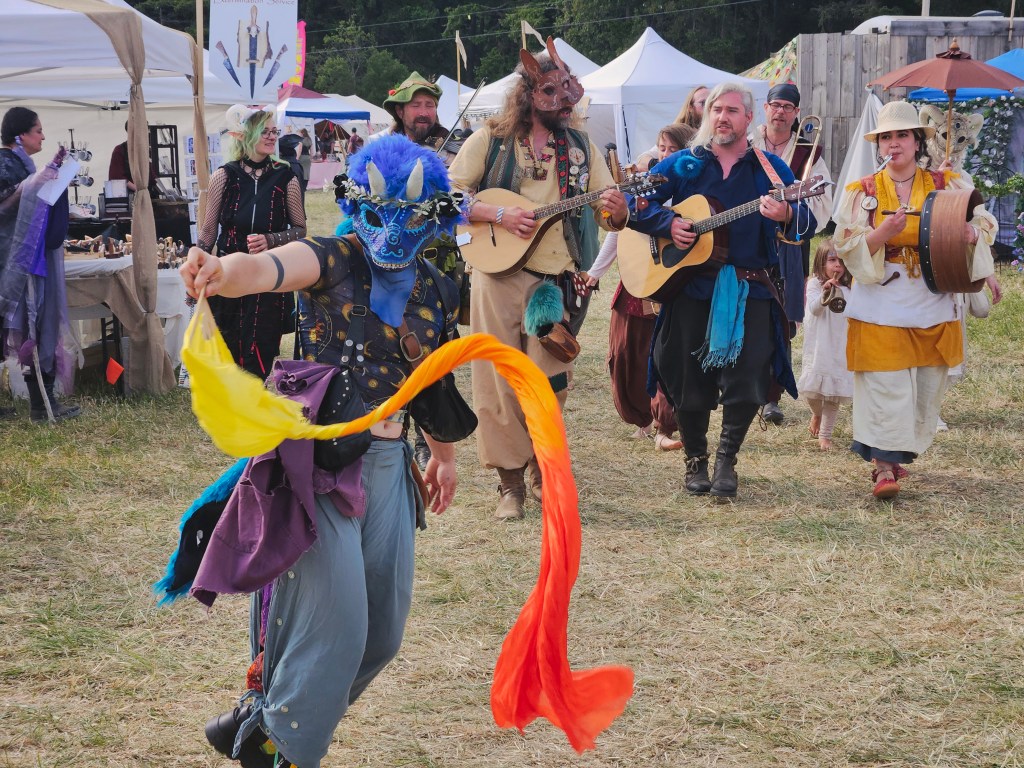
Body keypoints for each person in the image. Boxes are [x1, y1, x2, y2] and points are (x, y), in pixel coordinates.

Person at [178, 135, 465, 768]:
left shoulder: (441, 290)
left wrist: (442, 455)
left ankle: (263, 720)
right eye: (382, 213)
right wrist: (223, 271)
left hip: (390, 467)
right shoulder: (334, 257)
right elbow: (272, 267)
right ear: (358, 205)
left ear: (435, 217)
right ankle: (279, 748)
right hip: (319, 466)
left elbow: (433, 380)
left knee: (381, 635)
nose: (392, 232)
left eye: (410, 217)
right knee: (337, 627)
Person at [448, 37, 628, 520]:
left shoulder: (579, 147)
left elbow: (606, 211)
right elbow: (447, 196)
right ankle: (509, 484)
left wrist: (617, 210)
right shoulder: (489, 139)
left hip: (554, 279)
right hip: (493, 277)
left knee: (550, 382)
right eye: (554, 94)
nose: (565, 104)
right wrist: (497, 213)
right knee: (497, 380)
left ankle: (541, 471)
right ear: (528, 94)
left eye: (568, 94)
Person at [628, 83, 815, 499]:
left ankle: (726, 459)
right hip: (690, 288)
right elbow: (633, 202)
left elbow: (807, 222)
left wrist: (787, 212)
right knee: (685, 378)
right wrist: (665, 225)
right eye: (716, 109)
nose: (723, 116)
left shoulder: (770, 169)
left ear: (750, 118)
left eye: (733, 109)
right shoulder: (684, 164)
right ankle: (695, 458)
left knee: (748, 379)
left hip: (750, 289)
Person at [833, 100, 997, 499]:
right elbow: (844, 244)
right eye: (886, 136)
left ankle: (896, 452)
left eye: (901, 135)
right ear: (879, 144)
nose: (894, 143)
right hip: (880, 301)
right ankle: (884, 468)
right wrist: (880, 234)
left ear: (918, 140)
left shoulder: (946, 184)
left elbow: (983, 222)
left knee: (924, 388)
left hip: (931, 299)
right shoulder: (863, 191)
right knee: (886, 386)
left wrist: (971, 236)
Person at [584, 123, 695, 452]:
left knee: (663, 358)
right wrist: (595, 272)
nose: (665, 155)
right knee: (625, 355)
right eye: (662, 148)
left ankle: (666, 424)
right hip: (636, 281)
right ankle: (643, 420)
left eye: (673, 150)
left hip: (670, 284)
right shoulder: (645, 186)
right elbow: (617, 232)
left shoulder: (692, 194)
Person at [378, 72, 466, 469]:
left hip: (439, 259)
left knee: (435, 344)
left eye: (430, 105)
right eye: (417, 105)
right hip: (392, 258)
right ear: (401, 110)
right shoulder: (385, 147)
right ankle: (394, 421)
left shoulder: (455, 145)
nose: (425, 112)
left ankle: (429, 431)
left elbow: (463, 192)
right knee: (394, 341)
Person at [196, 106, 306, 380]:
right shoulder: (225, 175)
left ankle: (254, 396)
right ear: (247, 135)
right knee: (228, 337)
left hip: (268, 273)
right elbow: (209, 229)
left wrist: (272, 239)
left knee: (263, 340)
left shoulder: (286, 177)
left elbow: (301, 229)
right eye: (264, 132)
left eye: (274, 132)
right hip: (229, 271)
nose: (271, 137)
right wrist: (197, 266)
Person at [750, 82, 834, 425]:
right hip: (747, 240)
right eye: (776, 105)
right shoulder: (748, 144)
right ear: (765, 109)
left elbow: (824, 203)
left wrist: (793, 212)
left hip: (789, 245)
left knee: (781, 321)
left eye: (788, 106)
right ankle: (744, 386)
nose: (781, 112)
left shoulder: (807, 152)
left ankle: (771, 396)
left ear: (797, 113)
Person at [0, 107, 81, 422]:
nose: (43, 136)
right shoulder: (7, 166)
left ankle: (43, 406)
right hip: (18, 264)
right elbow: (9, 209)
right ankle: (41, 408)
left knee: (35, 325)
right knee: (35, 323)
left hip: (23, 261)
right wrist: (38, 182)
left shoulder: (19, 164)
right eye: (38, 130)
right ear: (21, 135)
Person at [797, 239, 853, 451]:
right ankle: (816, 413)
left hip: (839, 348)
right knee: (813, 393)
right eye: (832, 260)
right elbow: (813, 309)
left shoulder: (849, 288)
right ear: (821, 263)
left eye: (841, 261)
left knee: (833, 393)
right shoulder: (814, 284)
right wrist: (825, 293)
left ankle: (825, 435)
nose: (837, 265)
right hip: (819, 346)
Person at [108, 120, 160, 195]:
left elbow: (151, 175)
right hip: (129, 197)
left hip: (146, 194)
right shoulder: (119, 150)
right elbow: (116, 177)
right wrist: (138, 189)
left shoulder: (144, 150)